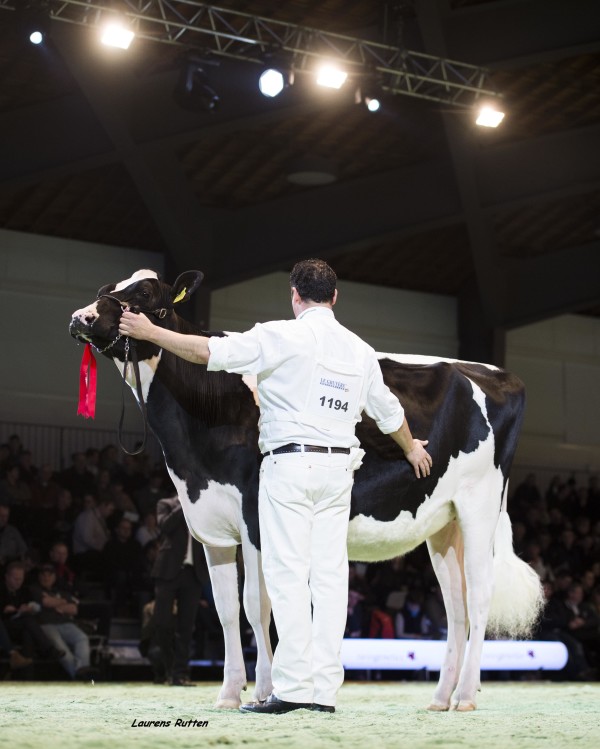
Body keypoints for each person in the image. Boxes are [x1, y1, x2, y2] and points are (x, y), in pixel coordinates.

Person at [119, 258, 432, 714]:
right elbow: (388, 413)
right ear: (335, 297)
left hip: (290, 467)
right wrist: (411, 448)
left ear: (294, 295)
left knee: (287, 577)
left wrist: (151, 333)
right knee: (330, 580)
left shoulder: (279, 336)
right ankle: (323, 692)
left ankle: (293, 688)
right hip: (338, 472)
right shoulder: (360, 350)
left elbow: (207, 353)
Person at [151, 496, 208, 686]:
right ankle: (167, 667)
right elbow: (164, 526)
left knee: (187, 627)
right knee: (161, 623)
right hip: (168, 570)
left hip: (193, 573)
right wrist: (184, 502)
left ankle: (180, 674)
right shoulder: (166, 504)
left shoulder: (202, 505)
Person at [29, 564, 95, 680]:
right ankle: (81, 679)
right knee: (62, 650)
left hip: (65, 623)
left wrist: (55, 602)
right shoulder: (34, 589)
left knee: (82, 638)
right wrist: (62, 603)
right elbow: (46, 602)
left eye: (49, 575)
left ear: (54, 577)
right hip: (46, 624)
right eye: (43, 575)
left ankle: (82, 672)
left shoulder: (61, 591)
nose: (46, 578)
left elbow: (74, 609)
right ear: (39, 576)